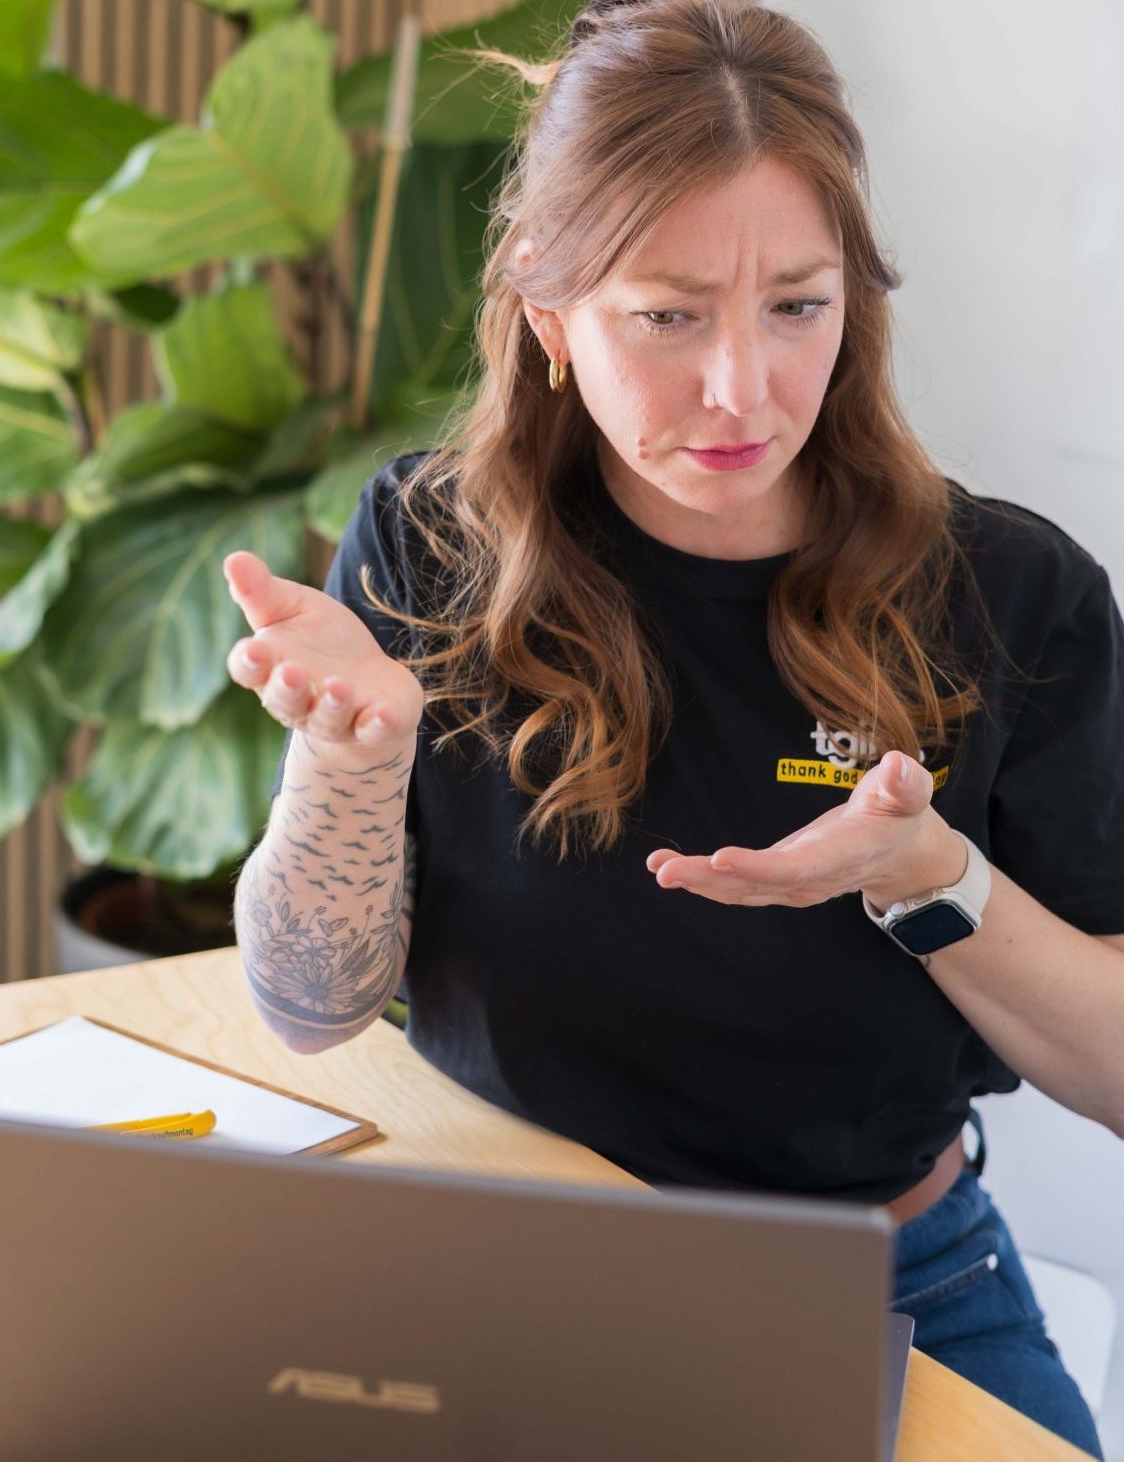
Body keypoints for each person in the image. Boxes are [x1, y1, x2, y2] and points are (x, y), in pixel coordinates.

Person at [226, 2, 1123, 1453]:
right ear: (549, 316)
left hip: (884, 1278)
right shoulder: (429, 548)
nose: (740, 388)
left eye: (797, 306)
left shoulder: (1012, 596)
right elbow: (308, 1011)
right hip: (490, 1265)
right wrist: (349, 761)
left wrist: (931, 876)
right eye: (667, 314)